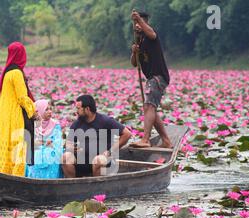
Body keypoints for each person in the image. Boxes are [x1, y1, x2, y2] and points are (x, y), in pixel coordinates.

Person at [0, 42, 37, 177]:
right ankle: (18, 175)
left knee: (8, 142)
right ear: (22, 55)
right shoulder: (17, 73)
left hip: (3, 114)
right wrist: (33, 111)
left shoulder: (7, 72)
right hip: (15, 114)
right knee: (20, 144)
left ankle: (3, 172)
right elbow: (21, 97)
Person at [129, 11, 173, 149]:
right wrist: (134, 52)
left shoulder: (150, 36)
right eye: (136, 23)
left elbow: (152, 33)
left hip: (158, 76)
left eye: (140, 23)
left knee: (148, 107)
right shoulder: (139, 41)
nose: (137, 25)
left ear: (145, 22)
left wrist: (138, 20)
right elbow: (135, 64)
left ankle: (146, 139)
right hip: (151, 78)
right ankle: (166, 140)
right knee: (150, 108)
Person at [62, 95, 132, 178]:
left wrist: (110, 151)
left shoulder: (105, 121)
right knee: (66, 157)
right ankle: (72, 187)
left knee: (98, 160)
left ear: (87, 109)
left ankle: (97, 188)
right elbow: (68, 143)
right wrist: (71, 147)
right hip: (83, 160)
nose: (76, 112)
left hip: (102, 161)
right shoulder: (77, 123)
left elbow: (127, 134)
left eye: (78, 108)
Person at [26, 100, 63, 179]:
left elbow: (58, 141)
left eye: (50, 109)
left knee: (49, 154)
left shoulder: (55, 124)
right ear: (39, 111)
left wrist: (49, 144)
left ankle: (51, 182)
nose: (50, 112)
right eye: (46, 109)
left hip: (52, 150)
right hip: (37, 149)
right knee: (35, 154)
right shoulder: (33, 124)